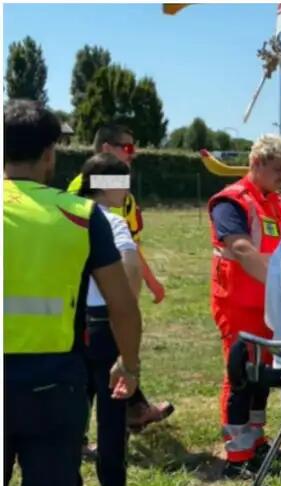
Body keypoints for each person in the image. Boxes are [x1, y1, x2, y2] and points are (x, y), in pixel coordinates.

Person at [4, 99, 142, 486]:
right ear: (49, 154)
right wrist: (129, 365)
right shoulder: (82, 217)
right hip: (51, 386)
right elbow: (123, 304)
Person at [68, 124, 174, 434]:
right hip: (101, 309)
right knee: (106, 385)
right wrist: (128, 301)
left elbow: (131, 245)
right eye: (127, 147)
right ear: (106, 149)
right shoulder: (85, 192)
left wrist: (151, 280)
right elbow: (123, 255)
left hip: (88, 310)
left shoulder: (113, 194)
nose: (133, 153)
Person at [209, 135, 281, 478]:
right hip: (238, 304)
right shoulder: (231, 203)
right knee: (240, 375)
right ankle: (237, 456)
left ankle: (256, 441)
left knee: (264, 375)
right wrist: (280, 286)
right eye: (277, 169)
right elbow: (242, 249)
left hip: (270, 308)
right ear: (256, 163)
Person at [71, 153, 151, 486]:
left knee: (72, 414)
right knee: (112, 414)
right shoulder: (111, 221)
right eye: (124, 183)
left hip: (69, 323)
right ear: (107, 184)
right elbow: (130, 267)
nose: (127, 191)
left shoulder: (64, 215)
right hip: (105, 322)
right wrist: (127, 308)